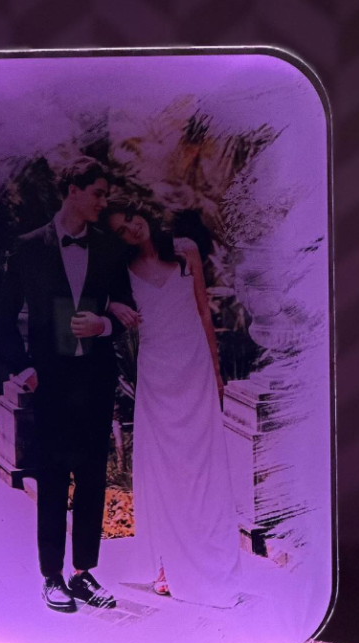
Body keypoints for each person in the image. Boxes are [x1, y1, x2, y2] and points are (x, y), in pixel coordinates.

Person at [0, 158, 136, 614]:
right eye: (97, 193)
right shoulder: (28, 247)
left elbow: (126, 310)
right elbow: (1, 317)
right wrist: (24, 370)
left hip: (95, 381)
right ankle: (52, 576)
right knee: (53, 478)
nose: (103, 202)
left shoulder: (110, 249)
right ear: (73, 190)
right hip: (49, 383)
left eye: (105, 195)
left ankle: (83, 573)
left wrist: (103, 325)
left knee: (92, 478)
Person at [105, 197, 249, 608]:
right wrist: (112, 304)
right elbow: (92, 299)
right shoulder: (123, 272)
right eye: (120, 230)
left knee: (203, 468)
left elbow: (204, 312)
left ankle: (207, 557)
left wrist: (216, 371)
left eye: (130, 218)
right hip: (157, 377)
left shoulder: (186, 250)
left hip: (195, 370)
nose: (131, 228)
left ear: (141, 211)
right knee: (165, 471)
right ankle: (167, 563)